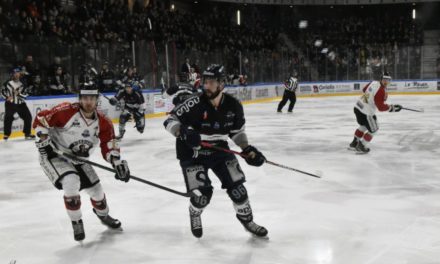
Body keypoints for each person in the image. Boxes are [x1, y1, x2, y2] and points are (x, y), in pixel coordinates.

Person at [163, 64, 268, 238]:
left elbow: (237, 132)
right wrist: (182, 132)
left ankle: (247, 221)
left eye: (211, 82)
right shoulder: (193, 102)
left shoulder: (234, 105)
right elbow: (169, 121)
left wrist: (247, 149)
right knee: (203, 195)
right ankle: (195, 211)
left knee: (238, 191)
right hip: (192, 152)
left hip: (219, 149)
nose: (206, 85)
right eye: (205, 81)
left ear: (221, 84)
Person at [32, 82, 130, 241]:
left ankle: (103, 215)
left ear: (97, 99)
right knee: (71, 181)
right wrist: (44, 141)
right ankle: (76, 221)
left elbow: (109, 143)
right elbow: (41, 119)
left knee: (97, 191)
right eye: (85, 98)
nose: (88, 102)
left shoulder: (103, 122)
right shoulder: (66, 111)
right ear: (79, 98)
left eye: (92, 98)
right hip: (55, 155)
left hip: (79, 158)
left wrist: (117, 163)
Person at [349, 72, 402, 153]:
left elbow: (364, 90)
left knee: (364, 126)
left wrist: (369, 98)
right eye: (384, 79)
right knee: (374, 130)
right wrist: (392, 108)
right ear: (381, 79)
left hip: (358, 107)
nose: (386, 82)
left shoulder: (374, 82)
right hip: (366, 112)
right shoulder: (381, 90)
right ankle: (362, 145)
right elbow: (381, 107)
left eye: (388, 80)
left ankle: (354, 143)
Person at [1, 67, 35, 140]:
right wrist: (6, 97)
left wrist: (19, 94)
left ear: (20, 74)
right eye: (15, 73)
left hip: (21, 104)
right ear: (12, 74)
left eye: (18, 73)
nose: (16, 74)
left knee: (28, 117)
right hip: (10, 104)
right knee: (8, 118)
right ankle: (6, 134)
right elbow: (2, 92)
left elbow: (26, 95)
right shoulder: (7, 83)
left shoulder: (23, 83)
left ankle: (27, 134)